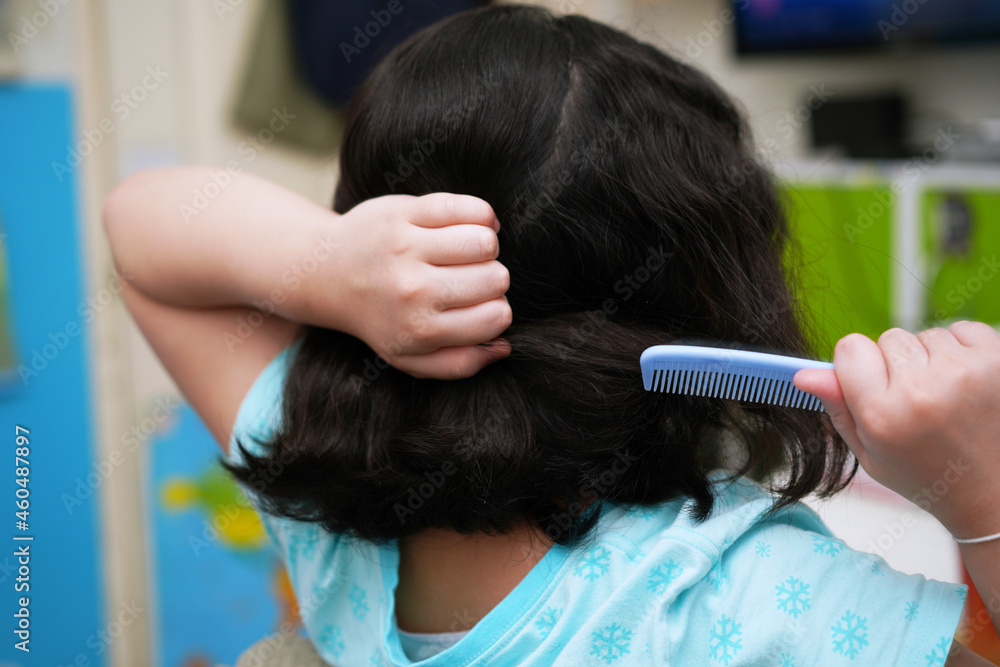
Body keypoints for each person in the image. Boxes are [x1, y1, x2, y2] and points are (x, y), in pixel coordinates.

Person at [103, 4, 1000, 665]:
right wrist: (981, 496)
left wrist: (324, 263)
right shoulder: (757, 603)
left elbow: (139, 230)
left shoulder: (332, 521)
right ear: (709, 296)